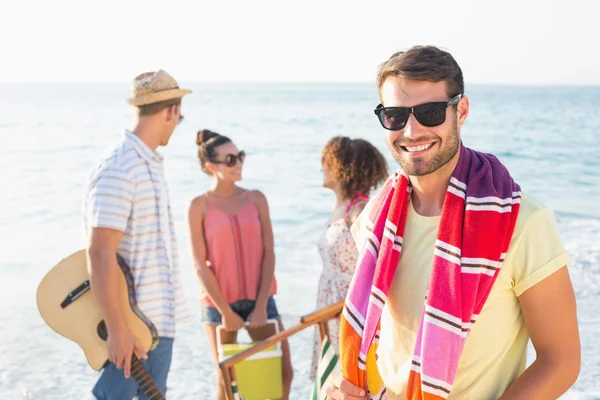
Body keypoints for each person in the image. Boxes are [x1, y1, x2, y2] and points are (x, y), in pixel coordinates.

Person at [327, 45, 580, 400]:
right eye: (396, 116)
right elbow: (384, 344)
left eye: (430, 112)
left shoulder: (523, 222)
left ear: (460, 110)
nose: (411, 131)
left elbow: (561, 360)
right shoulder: (373, 220)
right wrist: (343, 386)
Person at [83, 70, 191, 399]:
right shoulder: (121, 167)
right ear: (171, 111)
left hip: (159, 322)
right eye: (179, 115)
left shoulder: (148, 165)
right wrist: (117, 329)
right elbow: (99, 253)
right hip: (133, 326)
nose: (177, 122)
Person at [187, 129, 294, 400]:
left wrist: (260, 306)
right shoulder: (199, 206)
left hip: (261, 300)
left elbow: (269, 253)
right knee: (227, 382)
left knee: (283, 372)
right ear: (212, 167)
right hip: (218, 307)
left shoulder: (256, 199)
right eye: (230, 159)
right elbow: (200, 264)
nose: (239, 164)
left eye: (240, 156)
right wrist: (225, 311)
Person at [310, 136, 388, 381]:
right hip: (328, 305)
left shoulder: (360, 210)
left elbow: (379, 266)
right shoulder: (340, 208)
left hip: (349, 308)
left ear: (341, 167)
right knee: (331, 375)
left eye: (327, 162)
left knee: (350, 377)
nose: (322, 168)